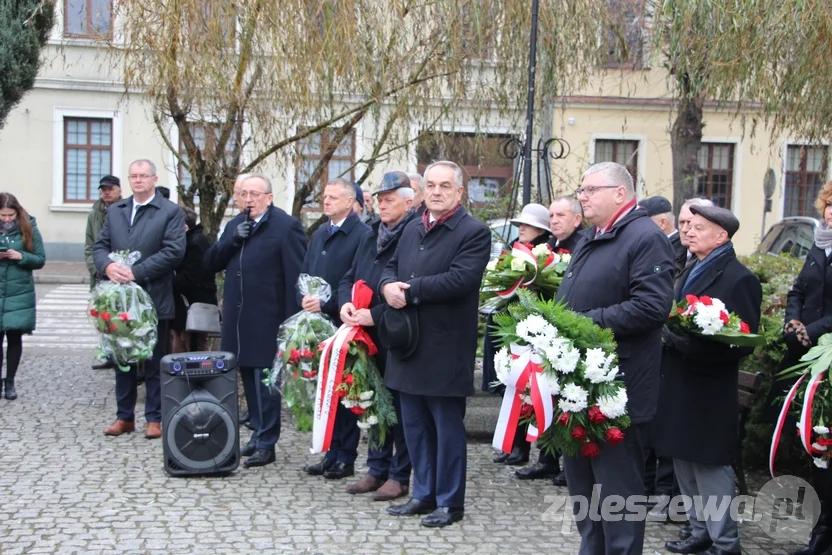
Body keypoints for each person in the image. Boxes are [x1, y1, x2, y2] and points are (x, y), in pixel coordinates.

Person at [554, 161, 674, 554]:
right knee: (585, 496)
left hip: (616, 391)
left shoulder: (643, 237)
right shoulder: (593, 236)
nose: (582, 197)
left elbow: (652, 307)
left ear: (620, 194)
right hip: (579, 385)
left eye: (590, 190)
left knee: (618, 499)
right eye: (582, 190)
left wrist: (583, 323)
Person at [380, 160, 491, 528]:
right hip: (407, 346)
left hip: (445, 350)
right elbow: (389, 266)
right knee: (414, 429)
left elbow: (461, 280)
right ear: (423, 190)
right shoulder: (413, 227)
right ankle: (422, 494)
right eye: (431, 185)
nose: (437, 191)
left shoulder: (473, 232)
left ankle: (449, 502)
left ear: (460, 192)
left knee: (446, 431)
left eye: (446, 185)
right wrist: (386, 287)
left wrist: (408, 293)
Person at [656, 205, 761, 555]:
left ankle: (725, 542)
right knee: (683, 460)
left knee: (711, 467)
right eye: (688, 226)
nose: (688, 232)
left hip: (708, 389)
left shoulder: (738, 277)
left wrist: (683, 343)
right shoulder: (689, 268)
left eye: (699, 227)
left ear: (722, 236)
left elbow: (740, 342)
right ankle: (699, 530)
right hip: (679, 382)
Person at [204, 173, 306, 467]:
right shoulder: (236, 225)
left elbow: (294, 278)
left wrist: (291, 324)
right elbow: (211, 262)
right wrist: (233, 241)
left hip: (269, 318)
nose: (248, 200)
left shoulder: (286, 227)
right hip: (238, 318)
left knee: (266, 384)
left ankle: (267, 442)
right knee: (247, 377)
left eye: (255, 194)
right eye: (243, 194)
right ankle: (257, 433)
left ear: (269, 198)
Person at [93, 159, 186, 439]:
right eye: (133, 176)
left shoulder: (169, 211)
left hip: (153, 297)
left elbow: (173, 252)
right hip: (119, 301)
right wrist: (108, 267)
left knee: (155, 359)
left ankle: (154, 418)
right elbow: (100, 246)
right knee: (122, 357)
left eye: (143, 176)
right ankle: (124, 417)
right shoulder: (117, 210)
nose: (138, 180)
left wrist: (136, 272)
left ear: (154, 179)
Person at [339, 171, 417, 501]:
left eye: (389, 200)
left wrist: (375, 313)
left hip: (397, 334)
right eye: (379, 200)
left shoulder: (414, 234)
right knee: (374, 403)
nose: (381, 206)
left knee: (398, 408)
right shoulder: (372, 233)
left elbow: (409, 290)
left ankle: (399, 475)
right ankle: (376, 468)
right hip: (365, 333)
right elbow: (348, 276)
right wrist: (345, 303)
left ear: (409, 201)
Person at [776, 180, 832, 555]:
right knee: (818, 450)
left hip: (827, 356)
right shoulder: (820, 245)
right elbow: (798, 291)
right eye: (830, 204)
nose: (831, 213)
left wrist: (811, 331)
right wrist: (793, 324)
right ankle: (821, 537)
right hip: (807, 356)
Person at [301, 178, 371, 480]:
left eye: (332, 197)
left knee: (345, 394)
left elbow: (356, 281)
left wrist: (328, 305)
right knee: (326, 393)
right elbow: (306, 272)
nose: (325, 202)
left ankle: (347, 456)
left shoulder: (362, 234)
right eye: (324, 197)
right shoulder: (319, 234)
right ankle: (330, 453)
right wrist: (303, 299)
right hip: (318, 325)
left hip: (344, 324)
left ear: (349, 201)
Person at [483, 203, 552, 467]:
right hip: (503, 326)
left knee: (527, 391)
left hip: (527, 332)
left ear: (540, 229)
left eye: (526, 224)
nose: (520, 228)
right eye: (519, 224)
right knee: (509, 388)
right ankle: (513, 445)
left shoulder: (546, 255)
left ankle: (525, 451)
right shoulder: (512, 249)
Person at [638, 195, 682, 519]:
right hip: (663, 352)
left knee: (664, 433)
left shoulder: (669, 248)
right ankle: (653, 490)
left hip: (677, 354)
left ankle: (664, 495)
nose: (689, 231)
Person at [0, 193, 45, 400]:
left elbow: (40, 259)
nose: (7, 219)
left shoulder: (28, 226)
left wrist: (21, 256)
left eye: (10, 215)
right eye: (3, 215)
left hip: (19, 292)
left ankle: (10, 383)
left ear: (17, 212)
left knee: (15, 338)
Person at [171, 206, 217, 353]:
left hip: (194, 305)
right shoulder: (192, 240)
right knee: (182, 343)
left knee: (193, 349)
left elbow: (190, 277)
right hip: (189, 305)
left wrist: (167, 282)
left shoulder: (195, 243)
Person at [85, 175, 122, 291]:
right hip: (100, 273)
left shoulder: (127, 210)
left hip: (121, 272)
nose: (106, 192)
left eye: (110, 189)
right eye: (103, 190)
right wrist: (95, 270)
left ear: (119, 191)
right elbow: (89, 246)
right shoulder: (94, 214)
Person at [640, 196, 687, 274]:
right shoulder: (660, 245)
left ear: (662, 223)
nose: (639, 228)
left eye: (643, 223)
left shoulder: (678, 249)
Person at [676, 198, 714, 282]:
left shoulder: (714, 262)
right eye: (681, 222)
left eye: (690, 223)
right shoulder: (671, 253)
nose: (684, 229)